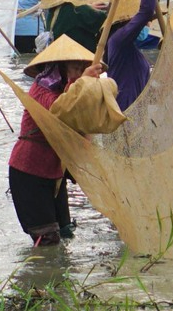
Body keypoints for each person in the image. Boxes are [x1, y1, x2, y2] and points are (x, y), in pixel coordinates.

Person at [7, 35, 119, 246]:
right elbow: (60, 111)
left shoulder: (68, 92)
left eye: (81, 69)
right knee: (47, 240)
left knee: (65, 234)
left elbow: (84, 126)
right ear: (60, 69)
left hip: (54, 174)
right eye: (75, 69)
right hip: (29, 172)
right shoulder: (42, 91)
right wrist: (83, 83)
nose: (78, 74)